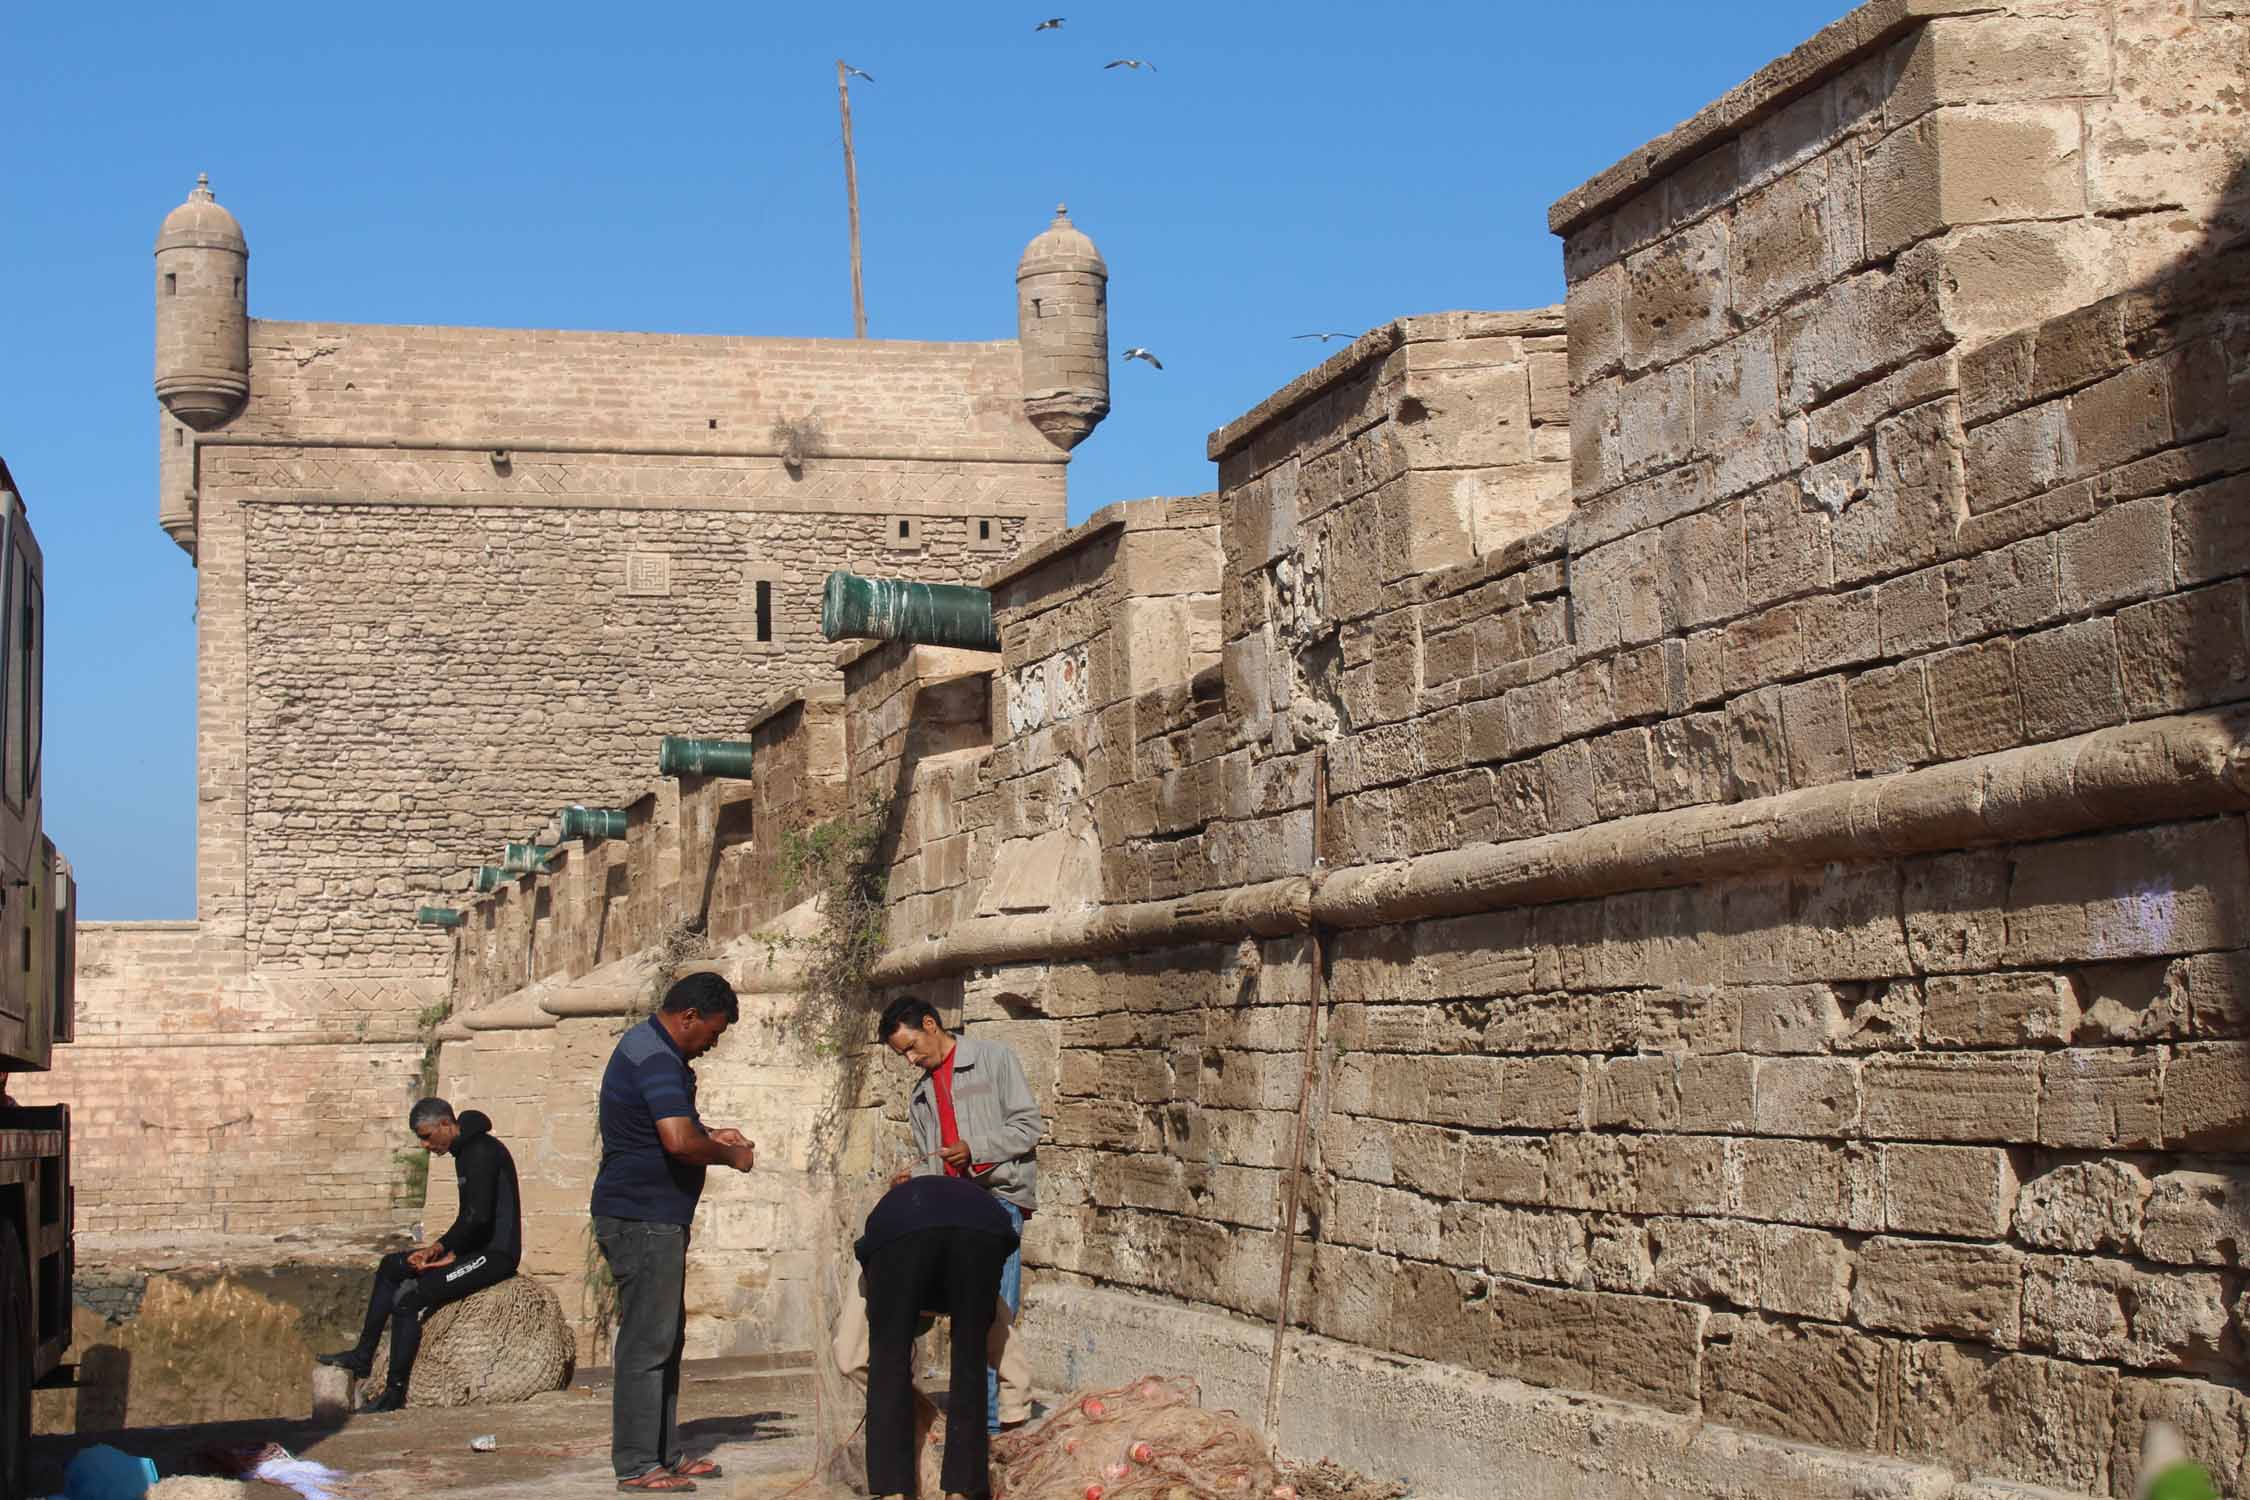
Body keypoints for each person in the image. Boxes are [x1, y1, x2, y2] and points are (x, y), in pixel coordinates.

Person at [592, 971, 758, 1494]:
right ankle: (639, 1464)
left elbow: (678, 1128)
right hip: (642, 1219)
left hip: (655, 1216)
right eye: (712, 1032)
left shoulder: (654, 1050)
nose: (712, 1044)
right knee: (648, 1341)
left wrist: (710, 1131)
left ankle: (662, 1452)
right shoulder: (658, 1057)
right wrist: (730, 1154)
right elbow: (677, 1141)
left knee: (665, 1336)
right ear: (688, 1017)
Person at [879, 995, 1042, 1434]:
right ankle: (982, 1419)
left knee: (990, 1315)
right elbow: (932, 1161)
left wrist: (977, 1150)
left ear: (931, 1024)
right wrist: (915, 1182)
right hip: (952, 1213)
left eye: (912, 1047)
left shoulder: (994, 1059)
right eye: (902, 1055)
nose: (911, 1060)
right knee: (968, 1313)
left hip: (997, 1202)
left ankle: (990, 1426)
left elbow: (1029, 1126)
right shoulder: (920, 1096)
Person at [316, 1097, 520, 1411]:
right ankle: (362, 1355)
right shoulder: (463, 1152)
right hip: (472, 1250)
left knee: (409, 1298)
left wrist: (443, 1251)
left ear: (445, 1124)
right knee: (390, 1266)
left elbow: (478, 1219)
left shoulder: (480, 1152)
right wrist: (443, 1251)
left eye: (426, 1136)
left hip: (495, 1256)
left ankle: (395, 1392)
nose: (425, 1145)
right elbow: (471, 1217)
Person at [856, 1174, 1021, 1500]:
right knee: (970, 1359)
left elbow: (868, 1346)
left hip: (904, 1237)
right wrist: (1014, 1409)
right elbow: (998, 1337)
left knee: (888, 1362)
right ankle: (962, 1488)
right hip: (984, 1231)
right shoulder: (964, 1206)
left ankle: (892, 1491)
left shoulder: (881, 1239)